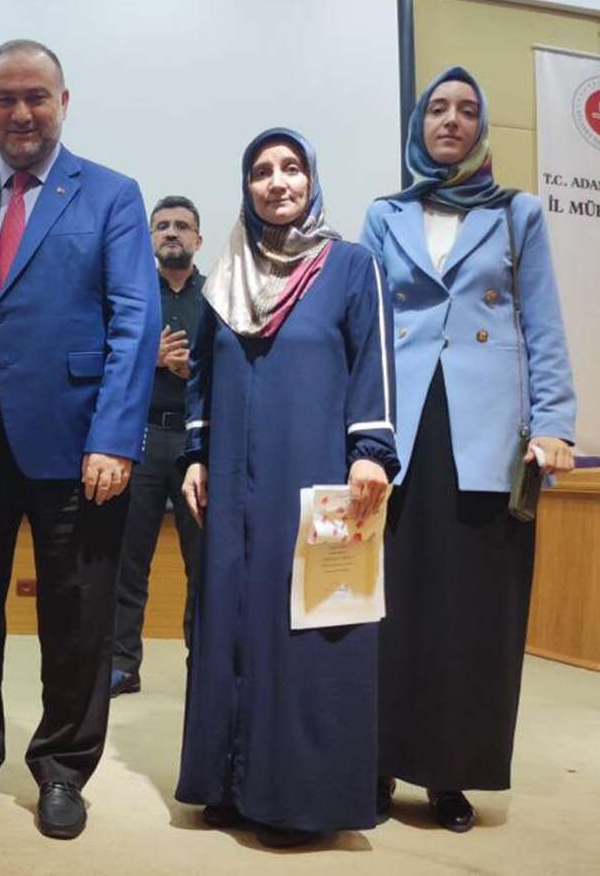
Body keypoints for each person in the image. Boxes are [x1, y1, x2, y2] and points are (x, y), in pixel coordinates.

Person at [0, 39, 158, 840]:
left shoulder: (112, 195)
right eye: (5, 98)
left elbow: (135, 320)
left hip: (78, 447)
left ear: (63, 102)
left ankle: (62, 768)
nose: (21, 112)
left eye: (36, 97)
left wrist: (114, 436)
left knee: (75, 618)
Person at [361, 66, 576, 833]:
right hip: (399, 430)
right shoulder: (385, 214)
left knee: (470, 611)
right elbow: (366, 325)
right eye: (438, 109)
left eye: (466, 110)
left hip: (486, 434)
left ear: (482, 128)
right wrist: (355, 427)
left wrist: (554, 422)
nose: (451, 120)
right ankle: (376, 761)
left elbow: (542, 321)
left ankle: (450, 773)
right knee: (387, 604)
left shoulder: (518, 213)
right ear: (419, 124)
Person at [175, 127, 396, 847]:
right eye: (263, 171)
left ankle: (301, 797)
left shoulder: (351, 266)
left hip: (316, 473)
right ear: (247, 187)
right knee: (231, 616)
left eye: (292, 167)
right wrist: (197, 453)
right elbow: (203, 371)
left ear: (311, 180)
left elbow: (373, 361)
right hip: (232, 474)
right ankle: (228, 782)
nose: (278, 181)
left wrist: (371, 452)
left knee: (309, 626)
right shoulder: (226, 274)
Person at [111, 194, 206, 696]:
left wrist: (198, 370)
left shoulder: (218, 296)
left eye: (182, 226)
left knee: (203, 560)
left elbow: (235, 363)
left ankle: (204, 661)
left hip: (197, 443)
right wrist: (150, 359)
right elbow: (105, 356)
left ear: (198, 240)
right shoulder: (130, 296)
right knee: (129, 557)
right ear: (150, 239)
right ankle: (122, 664)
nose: (172, 232)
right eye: (163, 226)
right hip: (142, 436)